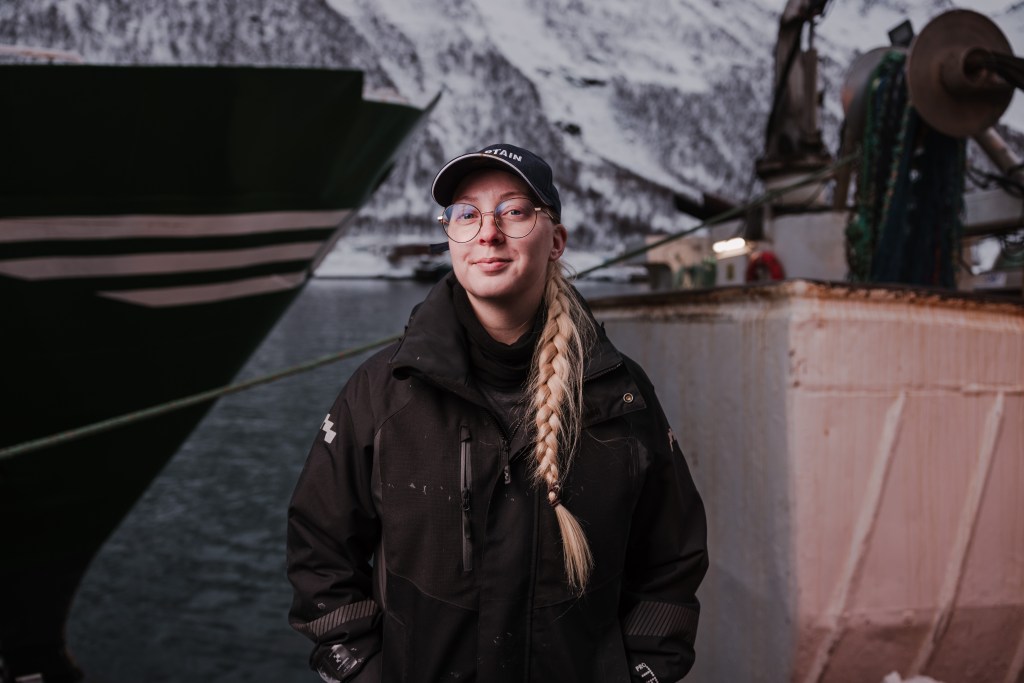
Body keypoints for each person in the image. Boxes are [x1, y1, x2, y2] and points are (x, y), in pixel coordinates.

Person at [286, 143, 708, 683]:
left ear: (556, 240)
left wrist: (643, 669)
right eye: (467, 214)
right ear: (450, 238)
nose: (488, 233)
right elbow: (320, 551)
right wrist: (363, 670)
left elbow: (672, 556)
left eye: (514, 211)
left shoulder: (618, 395)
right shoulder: (383, 393)